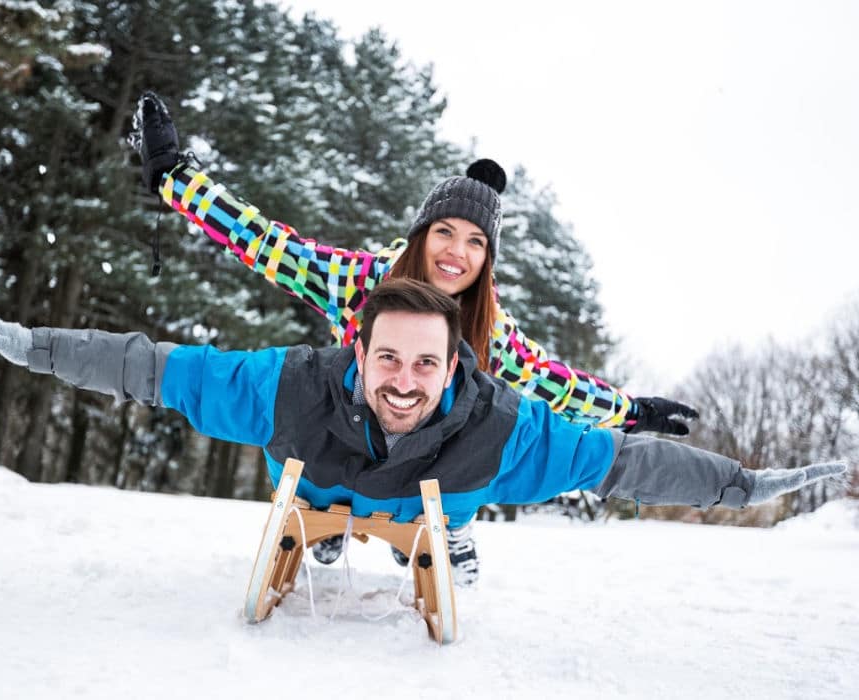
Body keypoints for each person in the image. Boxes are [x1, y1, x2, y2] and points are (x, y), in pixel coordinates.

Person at [0, 280, 845, 589]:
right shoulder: (289, 386)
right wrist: (32, 347)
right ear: (357, 351)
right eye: (388, 359)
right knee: (317, 496)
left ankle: (446, 534)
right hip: (323, 486)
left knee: (445, 506)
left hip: (435, 494)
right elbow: (157, 368)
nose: (405, 381)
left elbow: (625, 463)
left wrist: (738, 485)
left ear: (454, 368)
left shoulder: (503, 430)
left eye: (425, 366)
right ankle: (324, 531)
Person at [131, 92, 700, 579]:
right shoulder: (360, 282)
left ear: (487, 260)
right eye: (445, 232)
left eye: (476, 243)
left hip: (430, 460)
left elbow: (554, 384)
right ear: (421, 236)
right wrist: (176, 178)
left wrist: (631, 412)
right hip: (348, 434)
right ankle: (321, 503)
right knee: (308, 402)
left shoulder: (488, 329)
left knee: (484, 422)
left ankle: (448, 523)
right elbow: (267, 246)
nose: (457, 252)